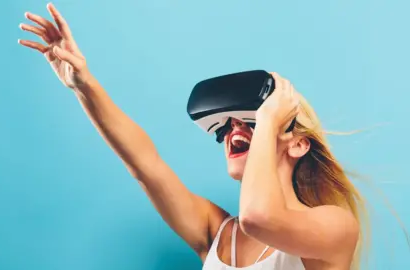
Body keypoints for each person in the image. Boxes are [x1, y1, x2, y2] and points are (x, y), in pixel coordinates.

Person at [18, 4, 366, 269]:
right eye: (226, 126)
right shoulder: (217, 232)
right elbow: (145, 165)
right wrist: (84, 85)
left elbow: (260, 217)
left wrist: (271, 116)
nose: (233, 131)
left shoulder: (335, 226)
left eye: (249, 121)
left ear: (299, 143)